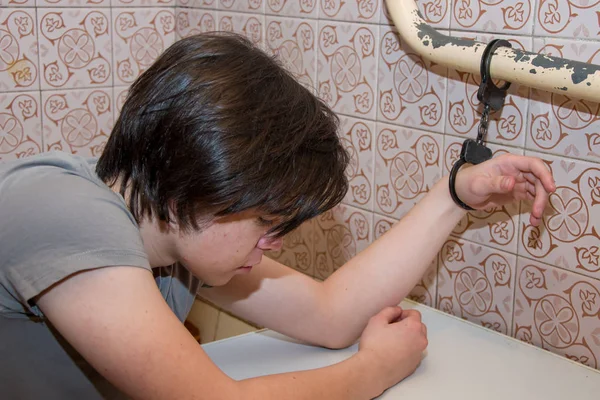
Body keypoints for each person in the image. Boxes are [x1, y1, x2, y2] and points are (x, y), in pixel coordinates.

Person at [0, 32, 555, 399]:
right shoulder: (61, 209)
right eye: (266, 223)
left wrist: (453, 195)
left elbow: (331, 314)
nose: (276, 245)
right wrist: (373, 371)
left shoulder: (175, 244)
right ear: (189, 192)